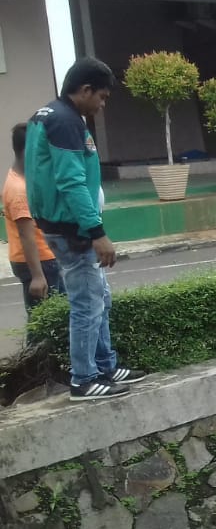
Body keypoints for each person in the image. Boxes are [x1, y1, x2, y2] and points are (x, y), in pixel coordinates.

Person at [26, 57, 145, 401]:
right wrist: (97, 232)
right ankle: (84, 379)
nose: (102, 104)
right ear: (86, 90)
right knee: (87, 302)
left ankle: (105, 365)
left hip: (62, 223)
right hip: (72, 229)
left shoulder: (48, 114)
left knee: (99, 296)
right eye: (102, 97)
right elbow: (70, 181)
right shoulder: (64, 122)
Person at [5, 124, 63, 317]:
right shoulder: (19, 190)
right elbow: (26, 234)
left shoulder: (19, 180)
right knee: (47, 319)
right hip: (40, 262)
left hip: (40, 259)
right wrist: (37, 276)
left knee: (49, 317)